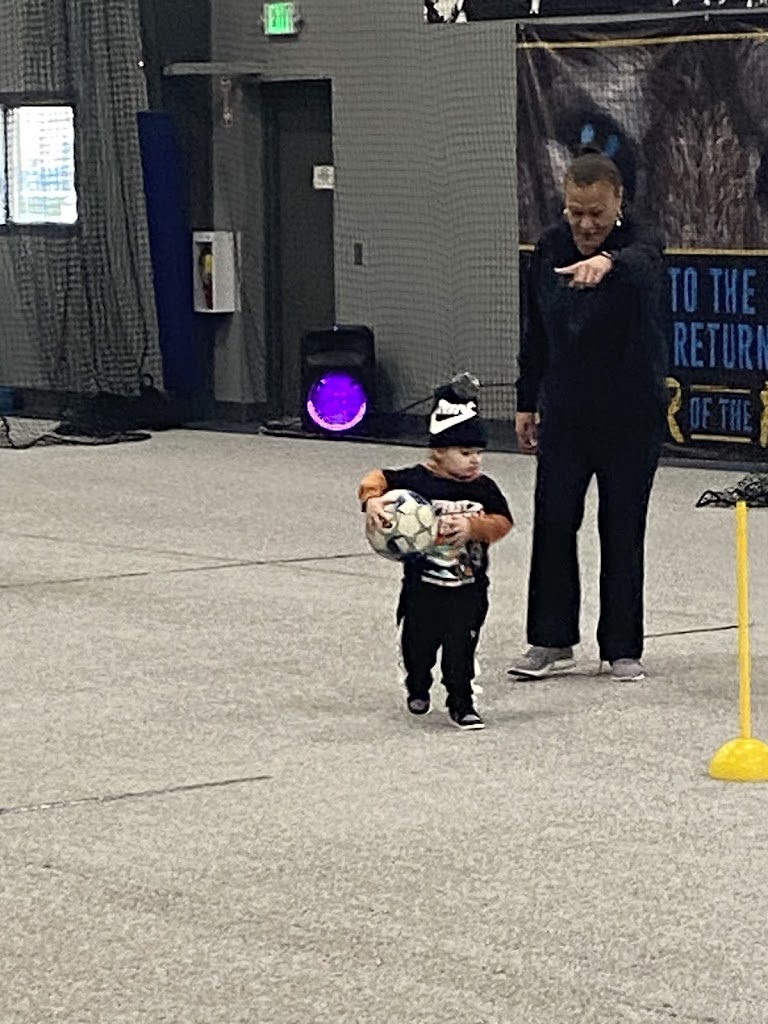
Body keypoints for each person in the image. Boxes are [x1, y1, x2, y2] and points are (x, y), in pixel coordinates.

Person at [509, 148, 668, 682]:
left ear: (618, 202)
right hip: (566, 414)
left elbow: (646, 259)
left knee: (621, 526)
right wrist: (526, 401)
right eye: (575, 212)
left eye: (596, 213)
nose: (585, 224)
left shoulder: (642, 244)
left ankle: (621, 647)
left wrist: (609, 262)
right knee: (554, 520)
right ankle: (551, 640)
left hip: (631, 417)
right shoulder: (550, 248)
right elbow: (535, 331)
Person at [359, 376, 514, 730]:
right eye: (465, 453)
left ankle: (462, 702)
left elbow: (503, 522)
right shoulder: (417, 480)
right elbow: (376, 478)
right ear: (439, 452)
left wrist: (474, 528)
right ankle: (417, 682)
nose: (475, 461)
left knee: (461, 650)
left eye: (478, 454)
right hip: (422, 588)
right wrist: (372, 501)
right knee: (418, 645)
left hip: (469, 588)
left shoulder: (484, 488)